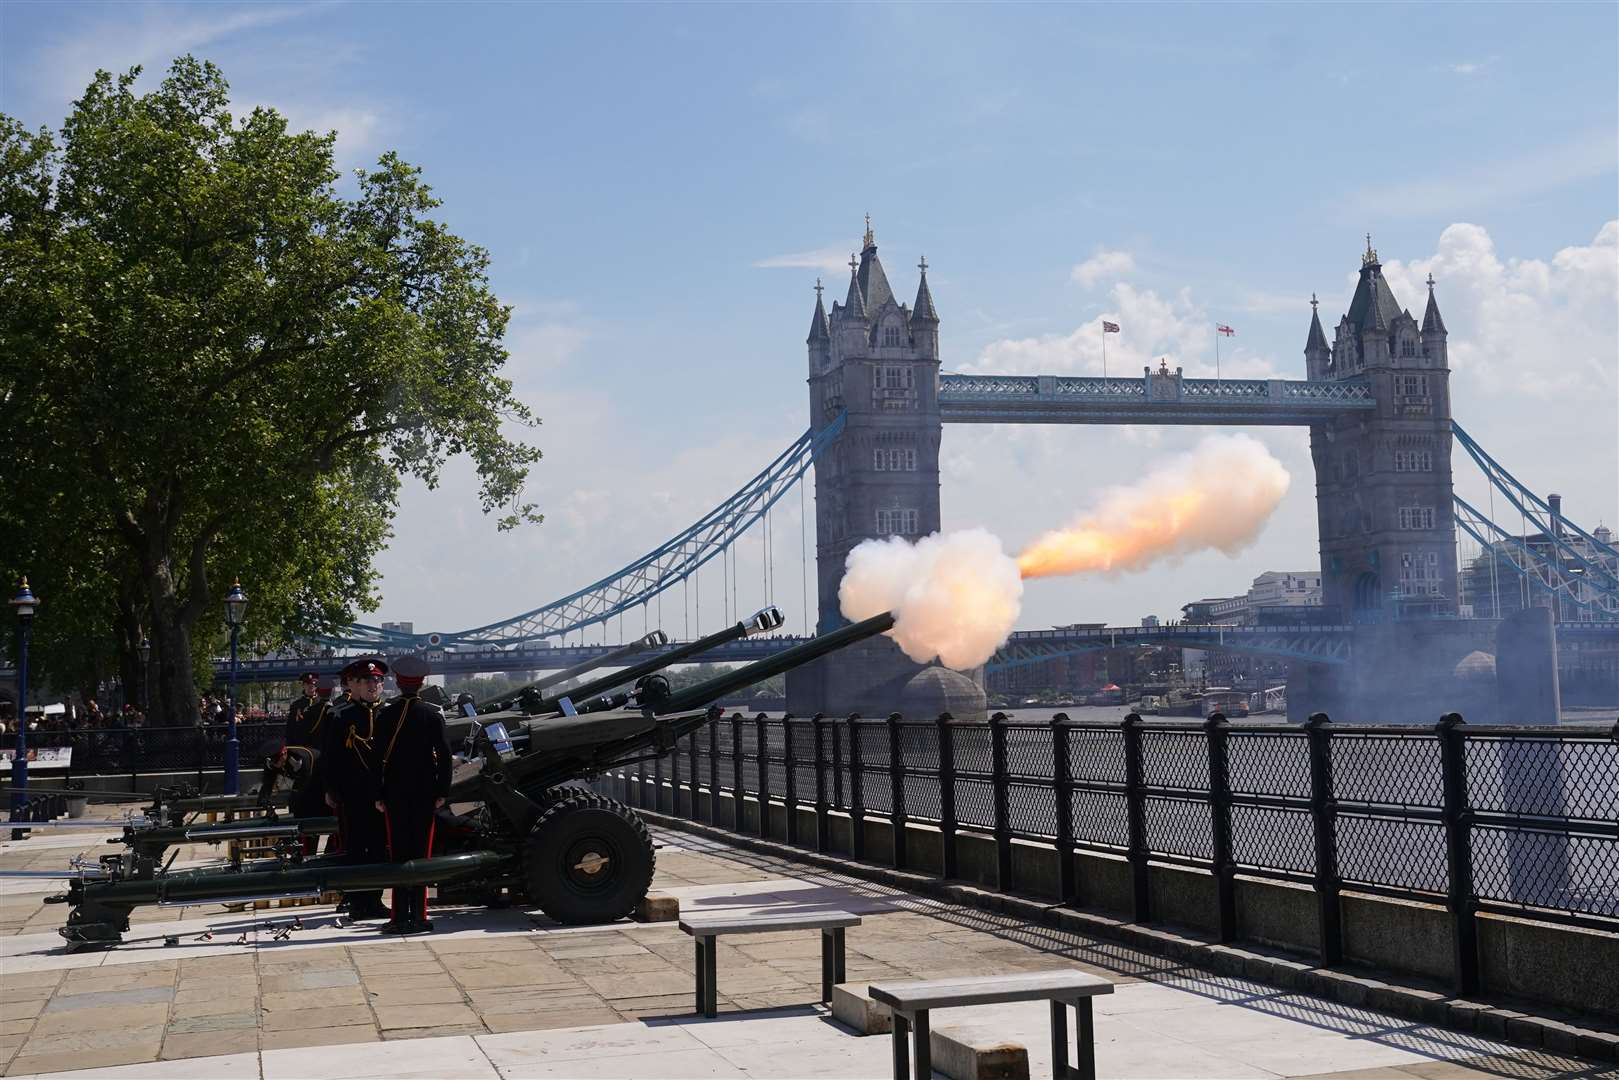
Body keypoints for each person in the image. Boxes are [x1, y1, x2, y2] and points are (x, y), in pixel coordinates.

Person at [370, 655, 451, 934]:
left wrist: (378, 794)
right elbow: (444, 756)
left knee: (398, 854)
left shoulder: (386, 715)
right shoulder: (432, 715)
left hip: (394, 793)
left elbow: (376, 758)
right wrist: (442, 791)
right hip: (425, 793)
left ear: (397, 681)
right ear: (421, 683)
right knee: (421, 853)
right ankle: (420, 915)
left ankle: (398, 917)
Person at [322, 658, 391, 921]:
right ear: (356, 685)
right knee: (355, 848)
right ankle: (356, 901)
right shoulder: (342, 715)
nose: (373, 685)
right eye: (367, 681)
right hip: (352, 794)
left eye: (377, 681)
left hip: (382, 794)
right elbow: (330, 758)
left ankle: (374, 899)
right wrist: (330, 789)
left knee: (379, 847)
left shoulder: (388, 713)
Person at [282, 673, 330, 848]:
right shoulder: (297, 706)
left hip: (318, 758)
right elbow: (290, 733)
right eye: (308, 684)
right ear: (303, 686)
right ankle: (300, 843)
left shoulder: (323, 705)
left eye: (314, 684)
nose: (311, 687)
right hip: (302, 759)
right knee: (300, 800)